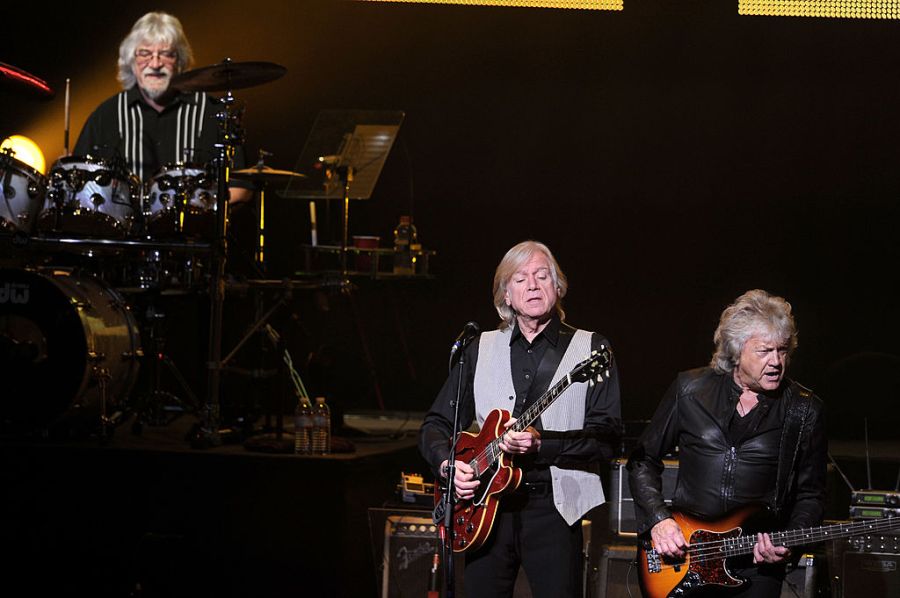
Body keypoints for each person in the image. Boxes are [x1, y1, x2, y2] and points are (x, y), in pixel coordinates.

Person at [419, 240, 622, 598]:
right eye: (520, 278)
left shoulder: (591, 348)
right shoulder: (478, 347)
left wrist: (541, 445)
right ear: (506, 295)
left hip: (555, 511)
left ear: (557, 287)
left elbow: (608, 439)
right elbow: (435, 425)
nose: (532, 285)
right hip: (485, 509)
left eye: (542, 276)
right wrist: (448, 466)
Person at [626, 289, 827, 598]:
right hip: (685, 559)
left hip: (756, 568)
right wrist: (658, 520)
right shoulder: (690, 389)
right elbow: (642, 460)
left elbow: (811, 495)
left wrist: (790, 540)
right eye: (764, 351)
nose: (776, 361)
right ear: (736, 350)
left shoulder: (804, 409)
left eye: (783, 350)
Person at [73, 11, 252, 204]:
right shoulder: (106, 115)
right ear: (131, 61)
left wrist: (204, 211)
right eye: (145, 53)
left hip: (195, 222)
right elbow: (77, 186)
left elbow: (240, 188)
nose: (155, 63)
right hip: (124, 224)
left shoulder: (211, 113)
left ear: (180, 61)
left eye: (166, 54)